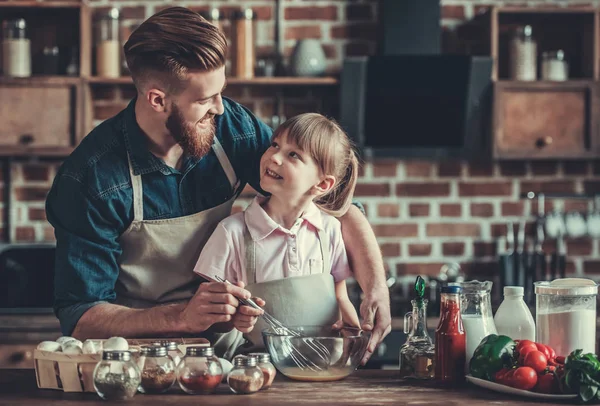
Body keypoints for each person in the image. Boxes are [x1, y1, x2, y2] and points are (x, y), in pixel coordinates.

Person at [45, 6, 389, 365]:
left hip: (225, 353)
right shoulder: (92, 179)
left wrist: (374, 287)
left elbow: (327, 202)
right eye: (204, 99)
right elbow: (80, 316)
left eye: (220, 92)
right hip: (140, 359)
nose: (220, 109)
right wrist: (181, 316)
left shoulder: (230, 130)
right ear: (158, 99)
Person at [193, 113, 361, 353]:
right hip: (256, 368)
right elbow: (214, 312)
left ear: (322, 185)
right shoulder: (231, 232)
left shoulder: (330, 231)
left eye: (293, 154)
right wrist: (234, 320)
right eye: (275, 145)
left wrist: (351, 326)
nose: (274, 156)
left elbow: (340, 296)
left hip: (319, 365)